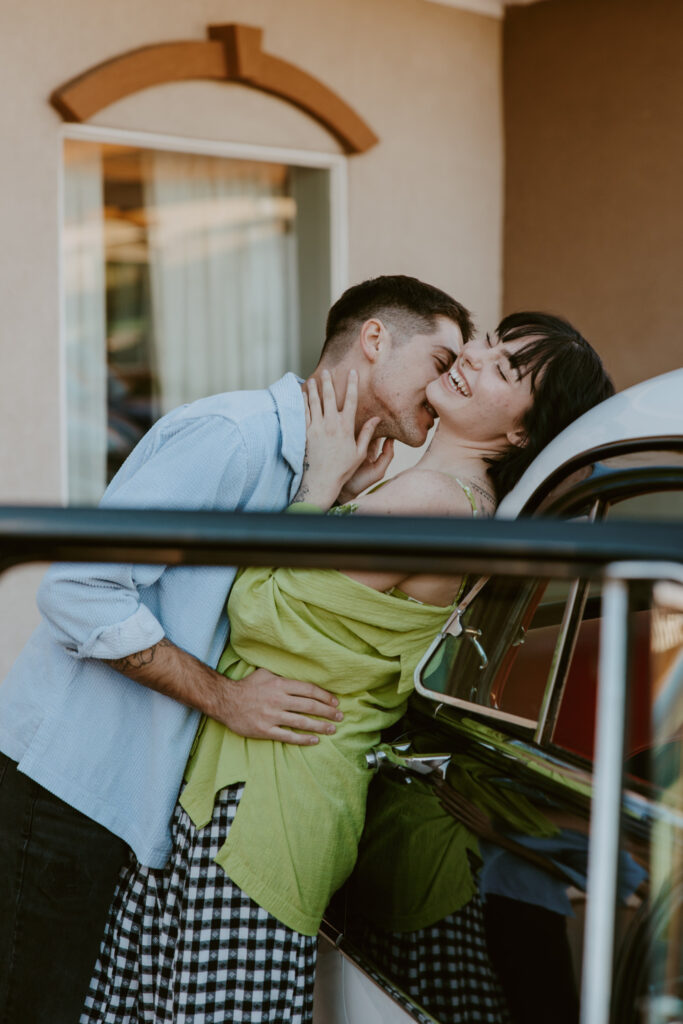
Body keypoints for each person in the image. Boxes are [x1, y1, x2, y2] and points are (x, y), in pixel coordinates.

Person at [80, 313, 614, 1023]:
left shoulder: (434, 504)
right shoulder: (449, 499)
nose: (473, 358)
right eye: (487, 341)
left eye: (506, 370)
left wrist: (320, 484)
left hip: (270, 793)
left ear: (521, 432)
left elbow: (255, 609)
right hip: (275, 772)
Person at [0, 275, 473, 1024]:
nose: (450, 385)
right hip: (67, 790)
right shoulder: (234, 435)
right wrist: (226, 698)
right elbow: (78, 588)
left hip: (147, 805)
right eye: (442, 361)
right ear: (375, 339)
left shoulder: (352, 476)